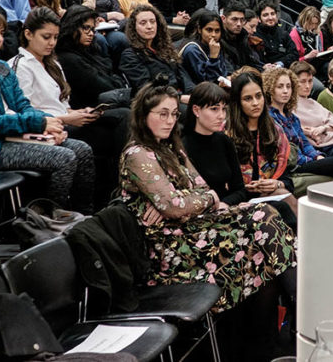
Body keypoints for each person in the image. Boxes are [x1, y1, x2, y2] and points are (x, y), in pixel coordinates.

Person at [118, 81, 296, 362]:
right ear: (143, 116)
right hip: (171, 247)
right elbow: (175, 206)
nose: (170, 120)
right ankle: (300, 308)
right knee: (264, 222)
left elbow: (196, 191)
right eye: (162, 113)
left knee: (267, 222)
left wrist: (191, 199)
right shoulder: (137, 153)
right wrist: (202, 199)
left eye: (174, 114)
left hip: (195, 229)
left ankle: (267, 346)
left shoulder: (172, 148)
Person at [0, 7, 95, 212]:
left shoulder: (0, 66)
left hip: (17, 134)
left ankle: (84, 213)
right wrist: (40, 123)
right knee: (64, 157)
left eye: (1, 33)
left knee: (83, 150)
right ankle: (55, 219)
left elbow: (23, 105)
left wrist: (49, 125)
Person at [12, 7, 128, 206]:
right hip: (49, 129)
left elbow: (61, 104)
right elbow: (25, 111)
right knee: (121, 122)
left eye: (55, 37)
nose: (51, 43)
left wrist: (79, 112)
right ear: (28, 34)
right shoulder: (21, 65)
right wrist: (68, 118)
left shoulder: (53, 64)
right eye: (46, 37)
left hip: (66, 121)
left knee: (124, 116)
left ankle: (117, 189)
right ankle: (114, 191)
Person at [219, 70, 300, 224]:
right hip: (236, 199)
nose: (255, 103)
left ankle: (302, 244)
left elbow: (287, 179)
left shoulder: (274, 130)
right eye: (248, 99)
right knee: (284, 203)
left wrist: (275, 183)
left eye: (258, 96)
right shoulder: (225, 133)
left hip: (269, 193)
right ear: (238, 102)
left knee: (285, 196)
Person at [264, 66, 333, 182]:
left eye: (288, 86)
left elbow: (305, 144)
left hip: (306, 159)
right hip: (294, 165)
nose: (285, 91)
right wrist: (312, 160)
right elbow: (286, 153)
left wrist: (317, 156)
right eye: (280, 87)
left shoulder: (292, 117)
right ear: (269, 89)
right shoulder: (269, 118)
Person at [57, 4, 130, 109]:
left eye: (92, 29)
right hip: (91, 110)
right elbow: (106, 88)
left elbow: (111, 71)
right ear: (72, 27)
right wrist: (117, 82)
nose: (91, 34)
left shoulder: (89, 49)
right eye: (86, 28)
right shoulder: (69, 59)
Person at [120, 4, 194, 96]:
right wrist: (179, 98)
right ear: (134, 28)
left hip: (179, 95)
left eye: (152, 21)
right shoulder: (130, 55)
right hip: (157, 102)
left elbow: (183, 76)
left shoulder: (165, 48)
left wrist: (194, 95)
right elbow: (145, 90)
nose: (149, 26)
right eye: (143, 23)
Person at [179, 9, 233, 85]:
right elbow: (207, 82)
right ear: (199, 30)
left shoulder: (216, 46)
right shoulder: (192, 50)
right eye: (209, 30)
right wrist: (213, 58)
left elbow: (223, 73)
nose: (213, 35)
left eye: (217, 31)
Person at [254, 1, 297, 67]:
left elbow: (294, 53)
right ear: (259, 19)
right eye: (265, 15)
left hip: (284, 69)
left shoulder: (283, 34)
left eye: (272, 14)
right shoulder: (255, 35)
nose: (270, 18)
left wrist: (280, 63)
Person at [220, 3, 263, 69]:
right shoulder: (218, 39)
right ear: (223, 19)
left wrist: (263, 68)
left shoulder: (242, 37)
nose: (239, 24)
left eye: (242, 20)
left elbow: (251, 61)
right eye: (234, 19)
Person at [289, 5, 330, 74]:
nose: (313, 26)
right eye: (310, 24)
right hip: (301, 68)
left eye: (316, 24)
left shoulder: (318, 32)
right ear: (304, 21)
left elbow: (320, 51)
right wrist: (307, 56)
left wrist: (329, 51)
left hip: (316, 64)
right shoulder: (294, 34)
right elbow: (293, 62)